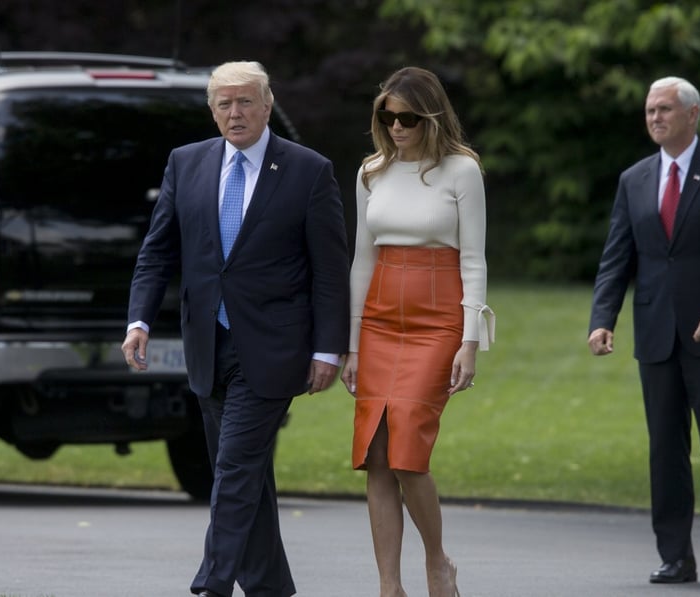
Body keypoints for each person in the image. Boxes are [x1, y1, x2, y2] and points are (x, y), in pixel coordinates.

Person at [122, 61, 350, 597]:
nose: (235, 113)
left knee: (234, 465)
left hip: (273, 348)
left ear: (267, 106)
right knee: (246, 476)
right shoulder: (187, 163)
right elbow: (158, 252)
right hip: (208, 344)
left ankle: (212, 584)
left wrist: (329, 350)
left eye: (245, 101)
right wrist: (139, 320)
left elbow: (330, 272)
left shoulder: (308, 170)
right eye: (224, 103)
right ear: (212, 110)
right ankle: (271, 587)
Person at [588, 76, 700, 586]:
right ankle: (675, 557)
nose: (655, 118)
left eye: (665, 109)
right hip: (656, 334)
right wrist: (603, 319)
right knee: (665, 451)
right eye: (649, 111)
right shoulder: (634, 179)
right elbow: (616, 258)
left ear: (693, 114)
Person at [341, 66, 494, 597]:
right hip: (380, 318)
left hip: (437, 321)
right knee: (376, 455)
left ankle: (436, 561)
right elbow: (361, 260)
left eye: (407, 117)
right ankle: (389, 586)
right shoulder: (371, 172)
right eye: (387, 116)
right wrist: (352, 345)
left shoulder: (461, 170)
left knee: (408, 450)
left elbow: (474, 261)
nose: (397, 126)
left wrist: (469, 342)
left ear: (430, 116)